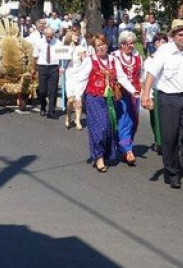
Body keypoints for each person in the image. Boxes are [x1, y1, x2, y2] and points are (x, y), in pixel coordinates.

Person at [142, 20, 183, 189]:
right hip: (168, 98)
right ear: (173, 36)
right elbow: (151, 74)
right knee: (169, 137)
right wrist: (146, 95)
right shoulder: (164, 52)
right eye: (180, 34)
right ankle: (172, 173)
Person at [71, 35, 135, 172]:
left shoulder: (113, 60)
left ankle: (103, 154)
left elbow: (122, 77)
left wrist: (133, 90)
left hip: (109, 98)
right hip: (94, 97)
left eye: (103, 44)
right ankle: (98, 157)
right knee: (100, 128)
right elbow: (81, 79)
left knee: (108, 127)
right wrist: (77, 97)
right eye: (98, 45)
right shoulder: (90, 61)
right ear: (94, 48)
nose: (102, 47)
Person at [112, 31, 143, 165]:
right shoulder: (114, 56)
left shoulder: (138, 57)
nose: (132, 46)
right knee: (124, 120)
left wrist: (144, 91)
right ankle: (127, 150)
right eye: (129, 44)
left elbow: (142, 75)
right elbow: (118, 76)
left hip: (134, 93)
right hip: (120, 93)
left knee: (134, 121)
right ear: (122, 44)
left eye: (133, 43)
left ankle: (124, 147)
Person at [145, 32, 169, 153]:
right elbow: (146, 78)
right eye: (158, 42)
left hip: (168, 92)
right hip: (156, 91)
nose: (160, 44)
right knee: (156, 119)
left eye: (163, 41)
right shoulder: (150, 60)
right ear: (154, 44)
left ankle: (167, 142)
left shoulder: (171, 57)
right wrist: (148, 96)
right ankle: (158, 141)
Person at [63, 27, 89, 130]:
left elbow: (85, 60)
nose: (77, 37)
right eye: (75, 35)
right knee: (70, 99)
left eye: (78, 35)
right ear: (70, 36)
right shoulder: (65, 48)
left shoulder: (81, 48)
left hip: (79, 75)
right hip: (70, 74)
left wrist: (83, 56)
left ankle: (78, 119)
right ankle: (68, 116)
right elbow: (62, 61)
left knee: (78, 98)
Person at [32, 27, 62, 117]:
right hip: (42, 67)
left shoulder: (58, 43)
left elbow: (62, 56)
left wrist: (61, 68)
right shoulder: (39, 42)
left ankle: (51, 110)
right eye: (47, 36)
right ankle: (43, 106)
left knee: (53, 90)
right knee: (42, 90)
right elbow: (35, 56)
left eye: (51, 37)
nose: (49, 39)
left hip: (54, 67)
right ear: (44, 35)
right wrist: (33, 68)